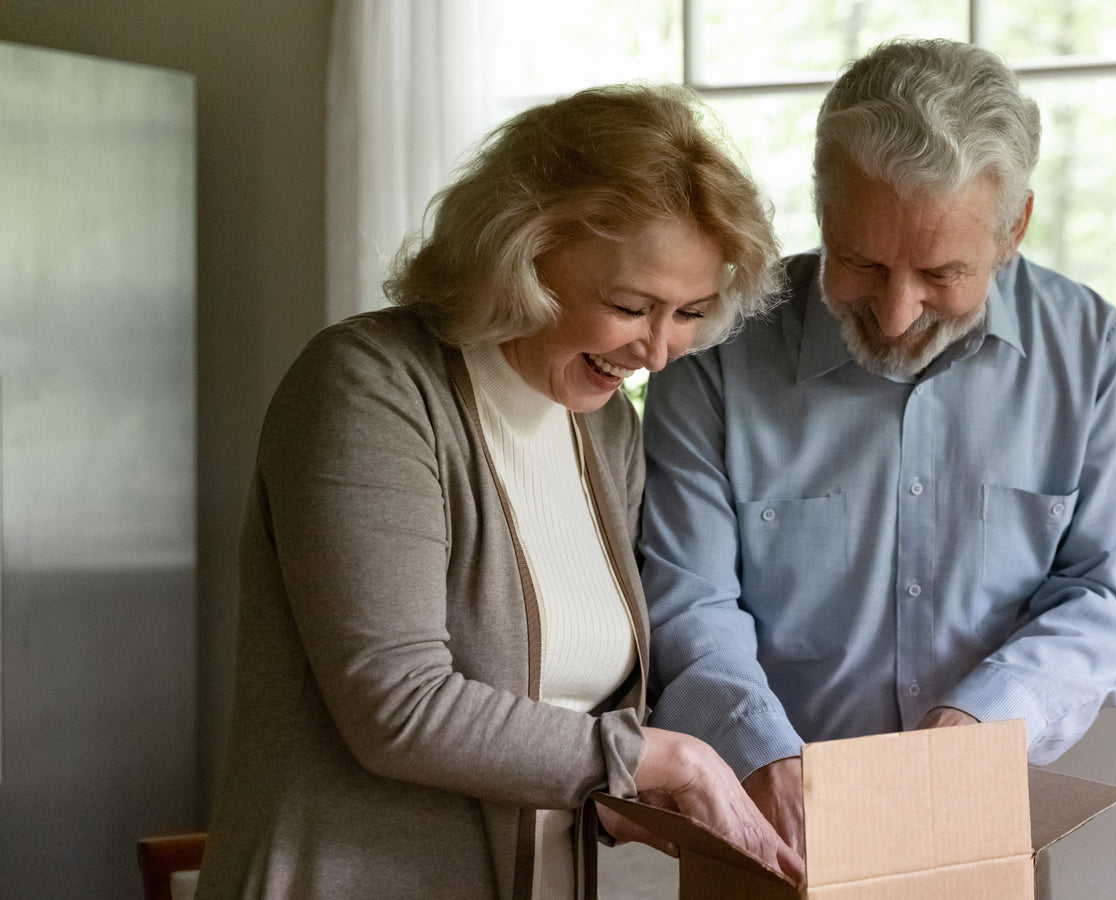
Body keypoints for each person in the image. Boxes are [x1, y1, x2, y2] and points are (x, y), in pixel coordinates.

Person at [197, 85, 802, 900]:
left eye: (689, 312)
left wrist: (660, 788)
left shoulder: (604, 429)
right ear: (519, 251)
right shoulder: (370, 386)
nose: (659, 353)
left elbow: (571, 722)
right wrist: (657, 756)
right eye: (630, 306)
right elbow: (399, 706)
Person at [640, 37, 1116, 873]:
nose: (892, 313)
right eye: (861, 261)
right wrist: (764, 755)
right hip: (761, 828)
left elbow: (1115, 587)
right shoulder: (715, 355)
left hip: (982, 823)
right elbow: (684, 600)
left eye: (941, 272)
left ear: (1014, 228)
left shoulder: (1086, 345)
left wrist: (979, 727)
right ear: (823, 210)